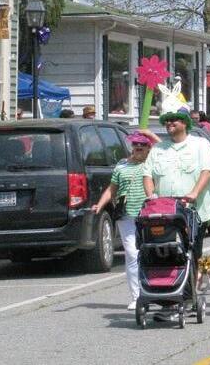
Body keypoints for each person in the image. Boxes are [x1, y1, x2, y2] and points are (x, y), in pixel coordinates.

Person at [92, 130, 160, 310]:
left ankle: (155, 291)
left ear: (149, 148)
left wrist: (150, 134)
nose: (138, 147)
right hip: (126, 215)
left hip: (149, 215)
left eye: (143, 144)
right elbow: (111, 189)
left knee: (151, 253)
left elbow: (164, 149)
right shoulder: (121, 165)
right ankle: (137, 297)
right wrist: (100, 205)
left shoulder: (153, 163)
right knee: (132, 254)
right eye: (135, 144)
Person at [143, 107, 210, 264]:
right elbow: (147, 175)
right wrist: (151, 197)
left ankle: (193, 278)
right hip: (165, 213)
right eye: (167, 120)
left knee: (192, 254)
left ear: (185, 123)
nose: (169, 123)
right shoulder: (157, 149)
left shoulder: (200, 144)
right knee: (165, 254)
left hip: (194, 211)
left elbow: (208, 170)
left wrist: (194, 193)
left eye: (173, 120)